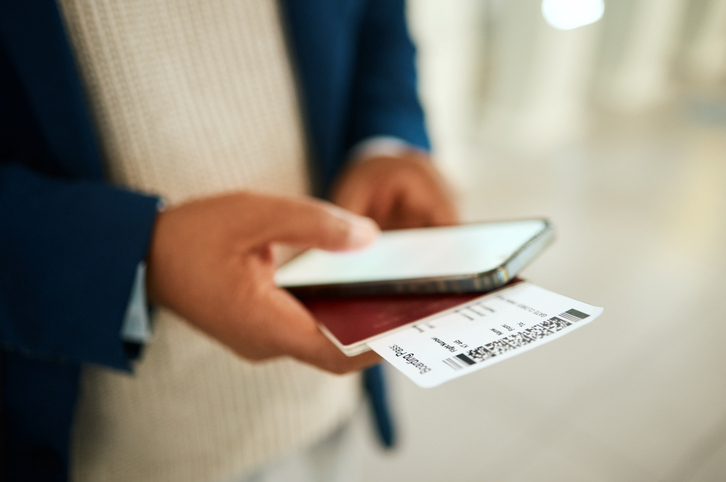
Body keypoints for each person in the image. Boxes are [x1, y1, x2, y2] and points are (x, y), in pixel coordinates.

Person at [0, 0, 457, 481]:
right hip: (105, 444)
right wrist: (142, 254)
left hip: (324, 409)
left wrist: (386, 142)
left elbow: (377, 18)